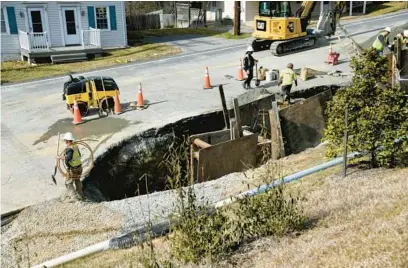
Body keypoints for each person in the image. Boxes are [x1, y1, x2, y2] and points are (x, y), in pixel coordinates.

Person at [58, 132, 85, 201]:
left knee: (68, 183)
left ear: (67, 141)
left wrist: (60, 157)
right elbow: (78, 155)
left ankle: (74, 198)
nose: (65, 142)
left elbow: (68, 158)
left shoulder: (69, 149)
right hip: (79, 167)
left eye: (65, 141)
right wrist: (65, 156)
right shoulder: (75, 146)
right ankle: (81, 196)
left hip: (73, 169)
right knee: (77, 180)